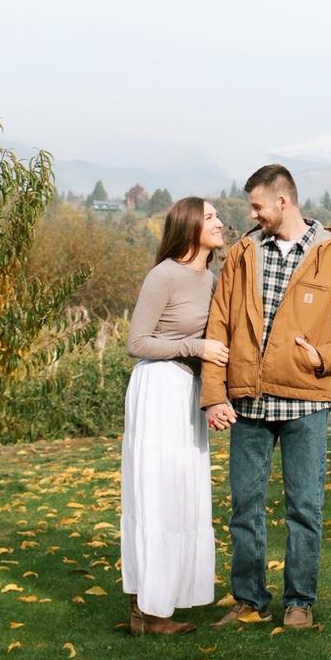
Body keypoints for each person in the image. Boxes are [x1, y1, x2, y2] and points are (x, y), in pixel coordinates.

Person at [201, 164, 331, 630]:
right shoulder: (241, 255)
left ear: (283, 201)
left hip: (306, 404)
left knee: (304, 508)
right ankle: (250, 600)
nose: (252, 215)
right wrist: (214, 395)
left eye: (257, 206)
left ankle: (299, 601)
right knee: (245, 507)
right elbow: (218, 326)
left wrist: (324, 357)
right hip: (247, 403)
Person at [119, 197, 229, 635]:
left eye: (217, 215)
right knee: (157, 495)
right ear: (189, 226)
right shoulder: (163, 275)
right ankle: (147, 610)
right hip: (159, 388)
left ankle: (157, 605)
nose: (220, 222)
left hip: (188, 391)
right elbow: (138, 342)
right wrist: (194, 346)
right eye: (210, 217)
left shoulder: (212, 280)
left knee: (182, 495)